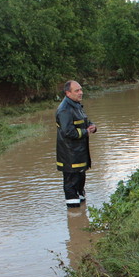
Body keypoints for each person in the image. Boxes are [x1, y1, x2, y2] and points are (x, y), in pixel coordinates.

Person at [56, 80, 97, 208]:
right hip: (69, 155)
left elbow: (83, 121)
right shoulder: (64, 110)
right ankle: (74, 217)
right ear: (68, 93)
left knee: (80, 184)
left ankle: (82, 216)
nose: (81, 93)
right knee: (71, 186)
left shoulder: (76, 105)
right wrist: (86, 131)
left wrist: (92, 126)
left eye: (81, 89)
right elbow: (68, 132)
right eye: (77, 90)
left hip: (79, 154)